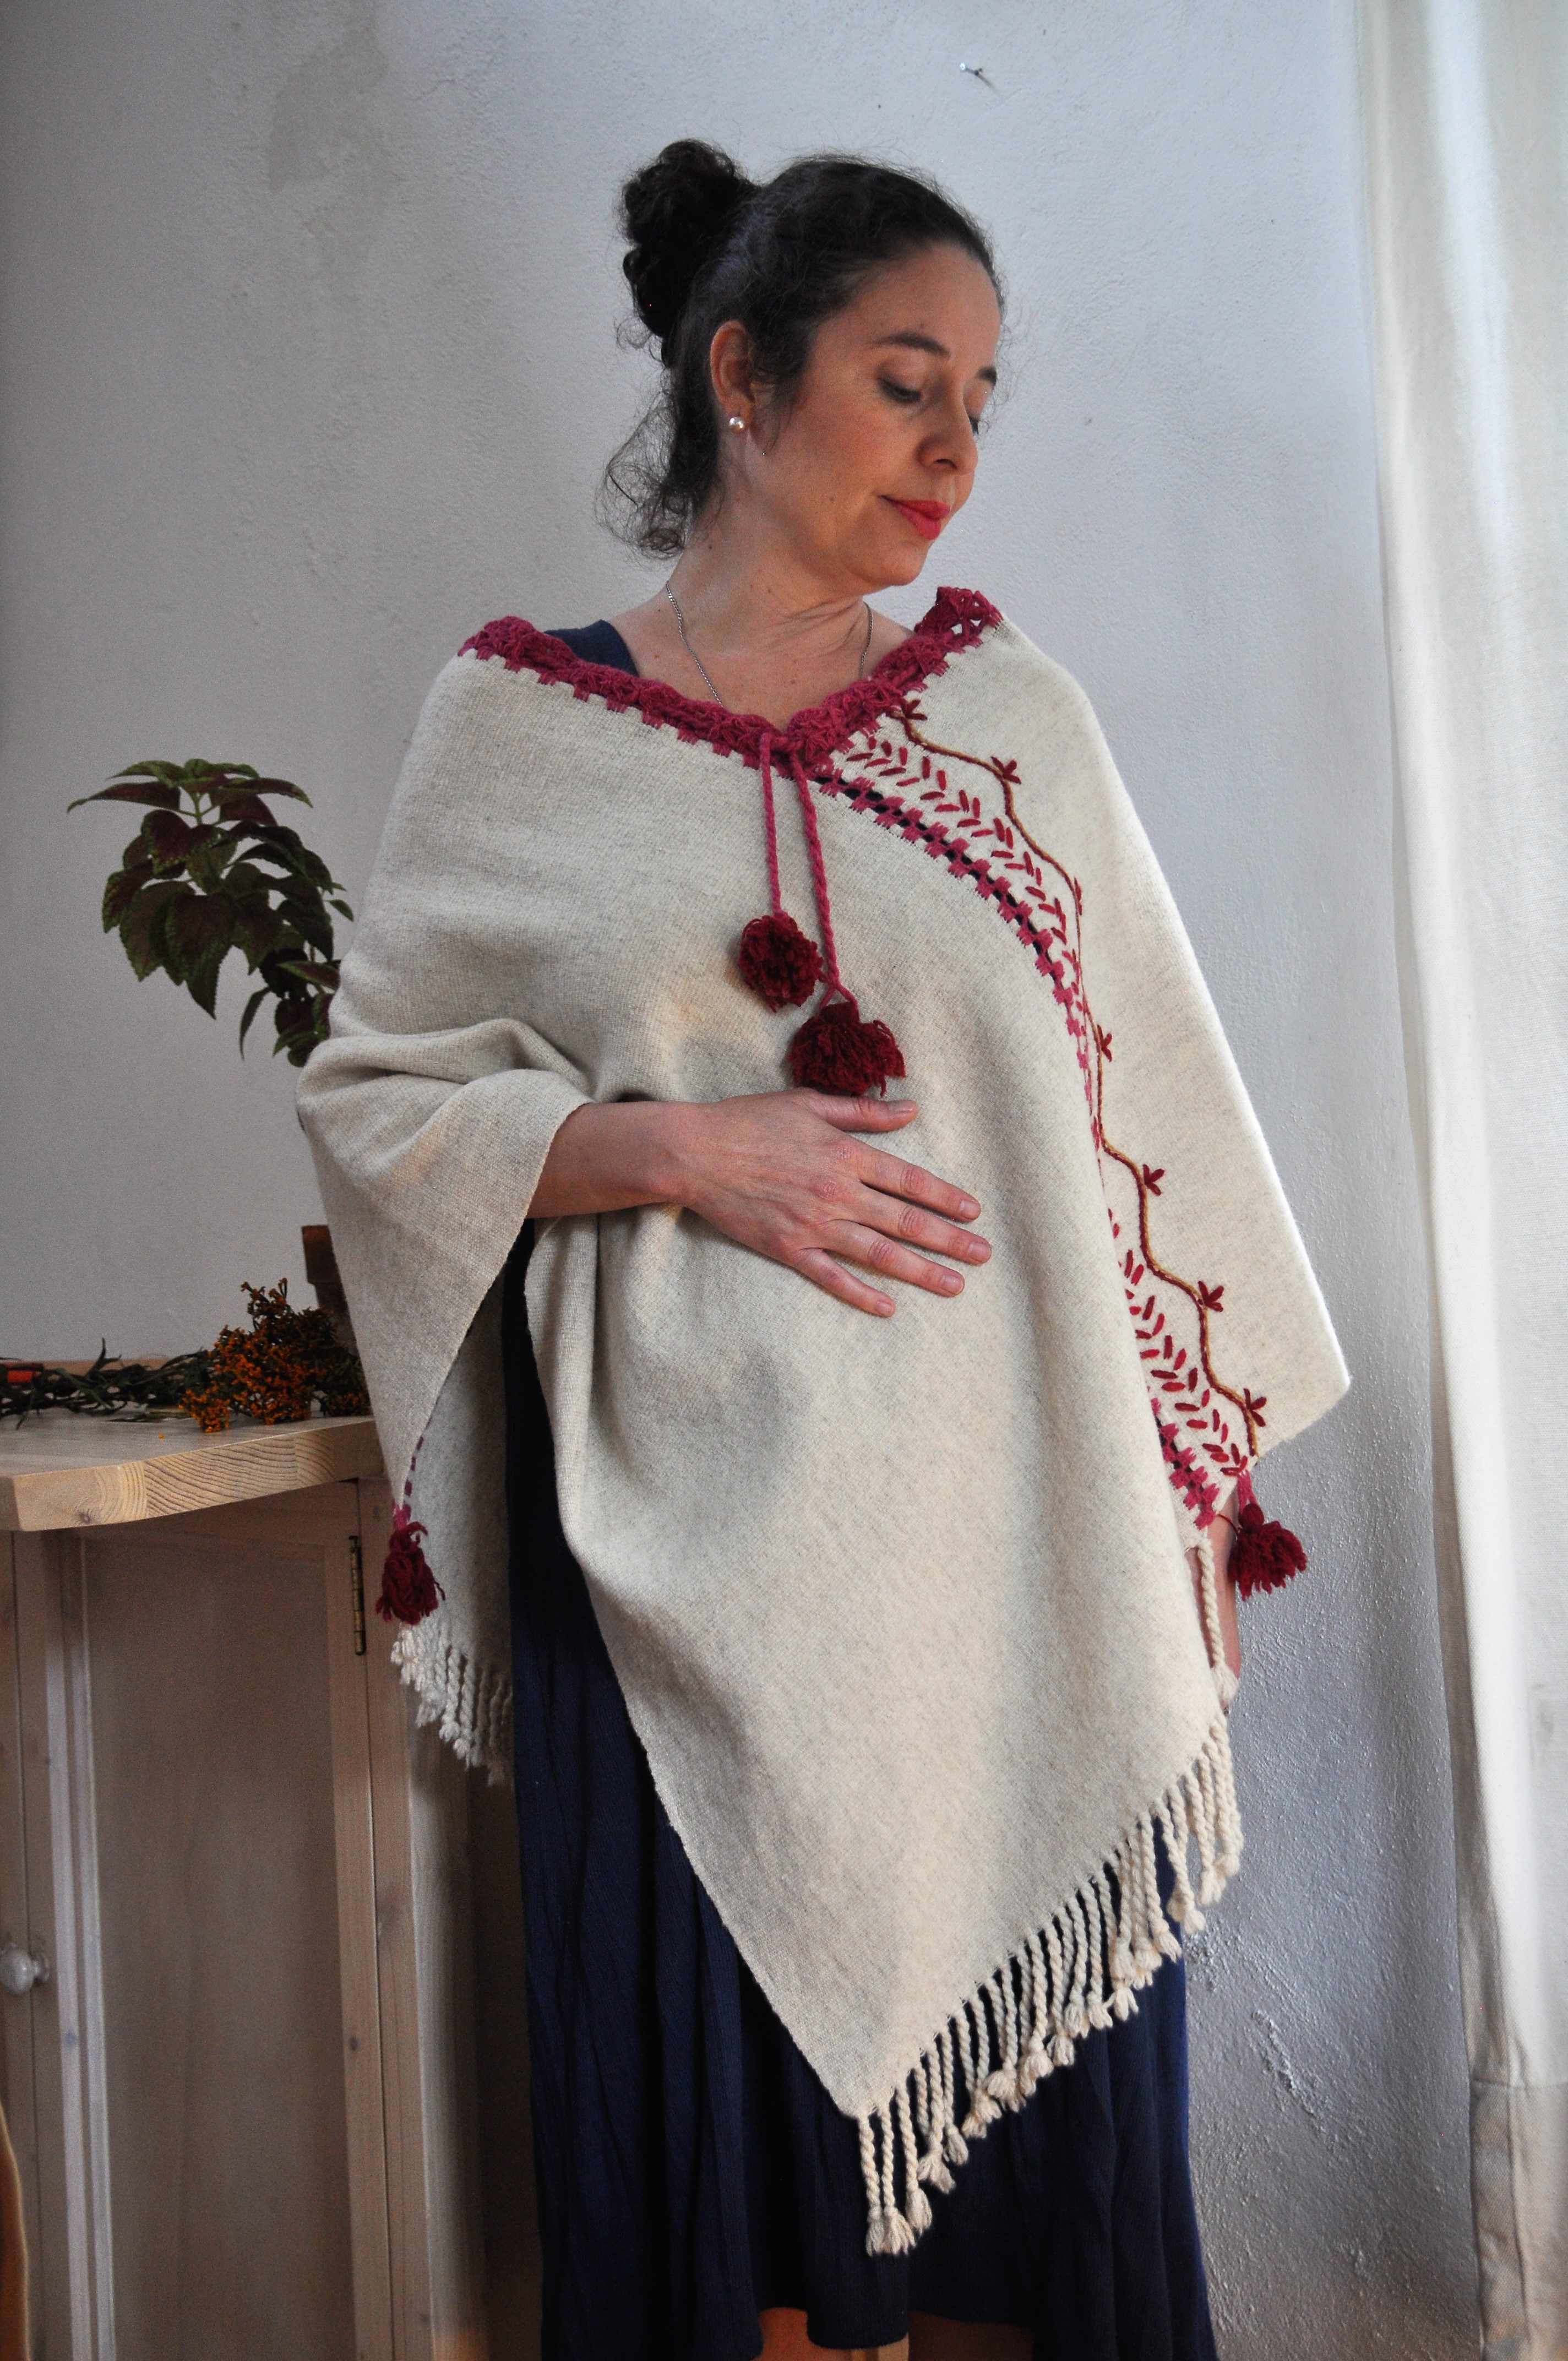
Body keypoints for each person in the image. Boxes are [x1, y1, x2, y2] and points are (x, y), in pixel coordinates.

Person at [299, 141, 1347, 2361]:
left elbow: (1139, 1131)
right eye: (904, 381)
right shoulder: (516, 731)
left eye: (982, 394)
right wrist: (684, 1149)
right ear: (743, 378)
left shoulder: (1011, 717)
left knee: (1025, 2267)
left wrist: (1191, 1496)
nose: (956, 447)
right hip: (667, 1618)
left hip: (1008, 1601)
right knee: (735, 2260)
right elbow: (378, 1103)